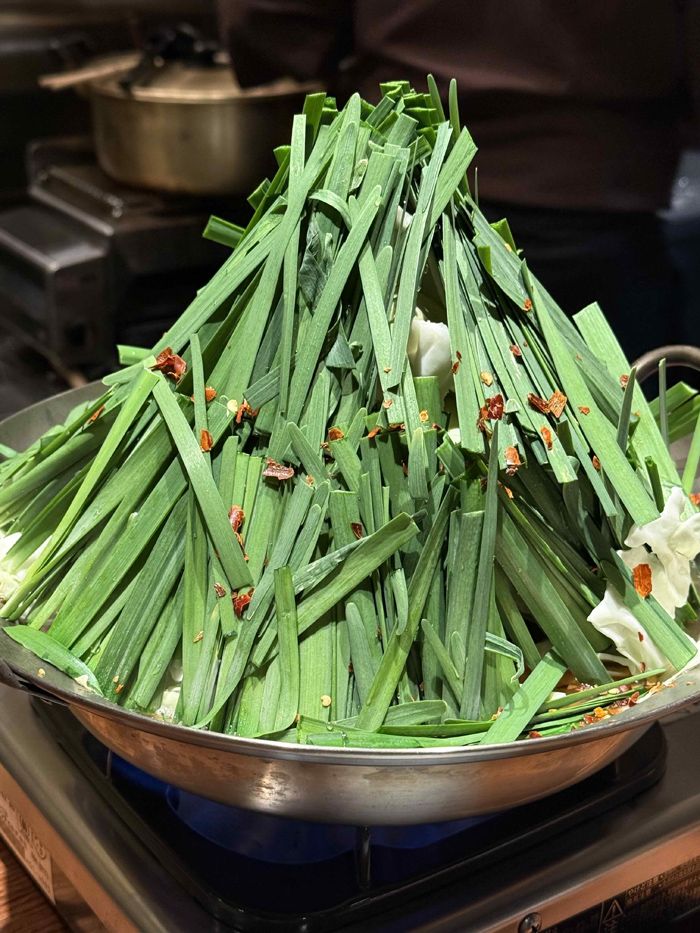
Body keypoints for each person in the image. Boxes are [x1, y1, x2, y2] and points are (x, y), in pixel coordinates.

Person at [217, 0, 700, 363]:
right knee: (625, 463)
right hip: (596, 195)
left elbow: (264, 19)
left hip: (397, 207)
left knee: (386, 459)